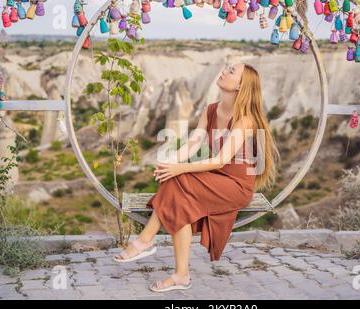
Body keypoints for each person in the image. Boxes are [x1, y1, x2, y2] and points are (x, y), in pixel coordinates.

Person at [113, 63, 280, 292]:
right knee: (175, 188)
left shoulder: (245, 119)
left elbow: (221, 160)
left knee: (178, 180)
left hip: (236, 186)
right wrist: (172, 163)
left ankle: (145, 241)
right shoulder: (211, 110)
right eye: (227, 67)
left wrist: (180, 169)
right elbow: (193, 144)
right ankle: (180, 275)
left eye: (231, 71)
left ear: (240, 85)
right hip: (215, 178)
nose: (224, 70)